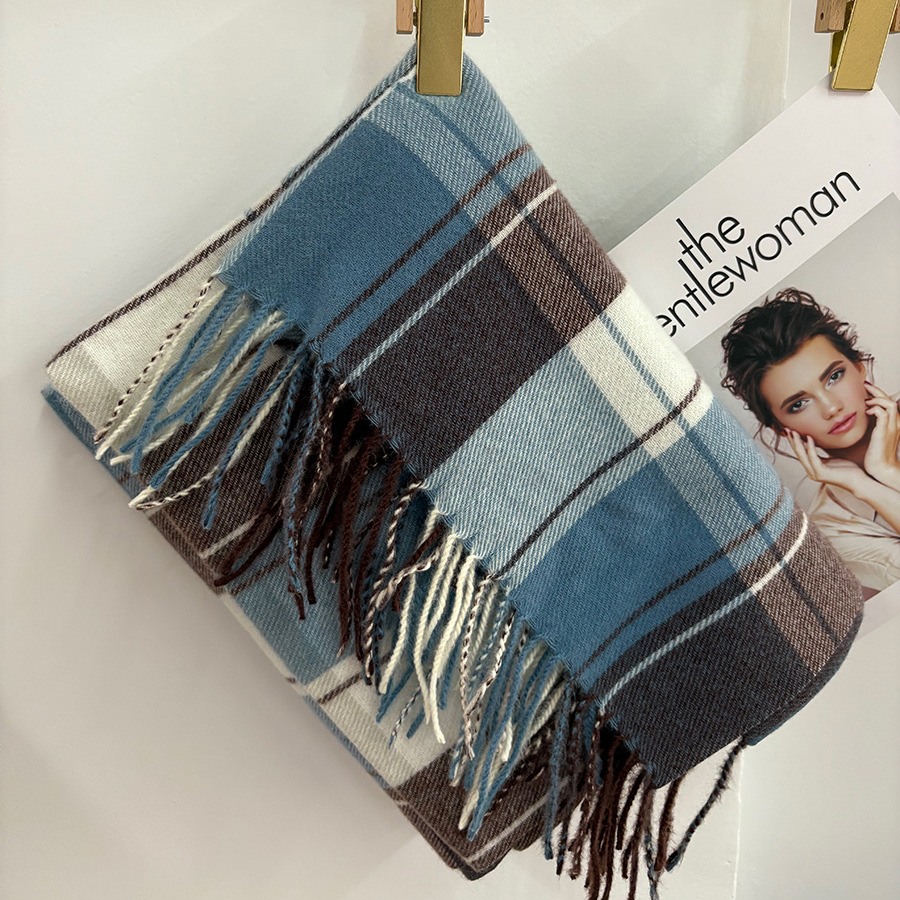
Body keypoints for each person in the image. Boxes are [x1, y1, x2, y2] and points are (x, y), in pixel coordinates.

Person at [721, 288, 900, 593]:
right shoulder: (832, 529)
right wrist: (866, 485)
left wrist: (887, 470)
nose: (831, 408)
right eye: (798, 404)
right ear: (780, 428)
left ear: (858, 367)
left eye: (834, 377)